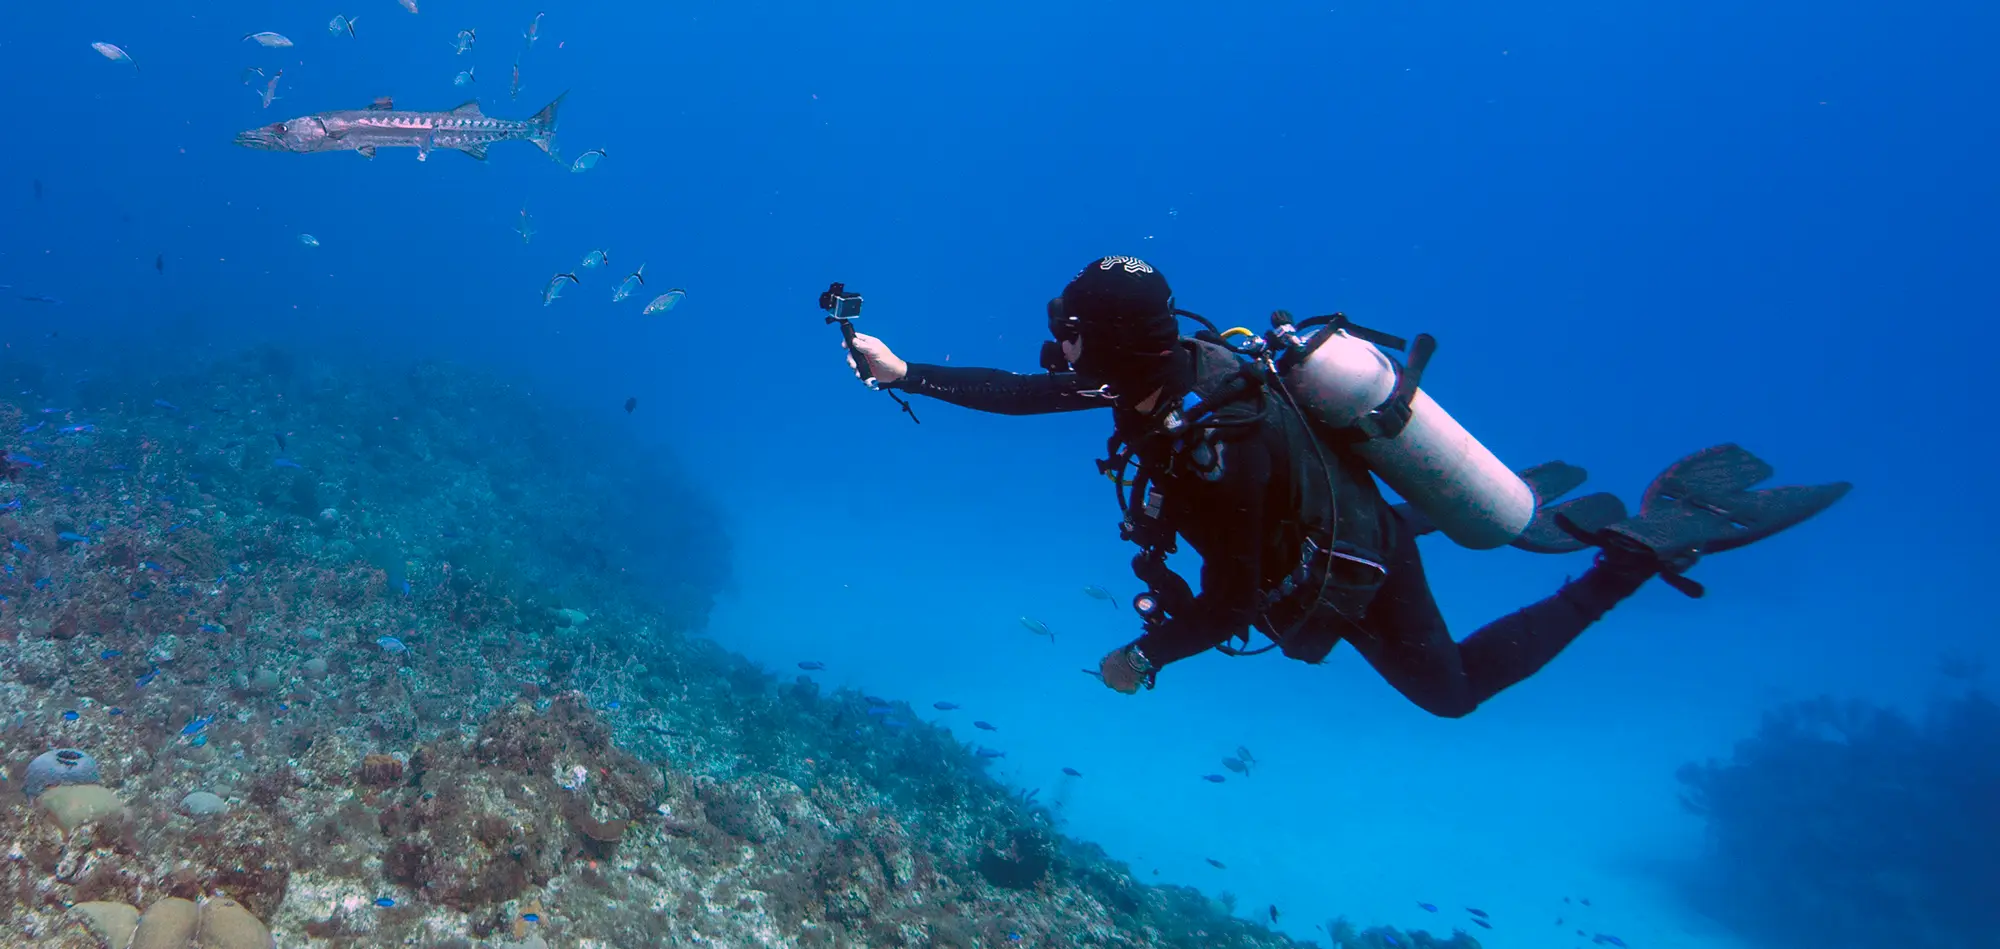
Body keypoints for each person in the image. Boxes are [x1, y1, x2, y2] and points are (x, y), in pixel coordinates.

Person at [841, 257, 1849, 716]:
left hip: (1353, 562)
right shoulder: (1158, 376)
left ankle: (1619, 566)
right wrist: (903, 372)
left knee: (1448, 694)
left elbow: (1234, 598)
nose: (1057, 342)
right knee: (1327, 527)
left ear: (1105, 342)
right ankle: (1428, 511)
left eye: (1070, 328)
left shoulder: (1211, 442)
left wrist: (1141, 654)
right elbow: (1026, 393)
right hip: (1298, 521)